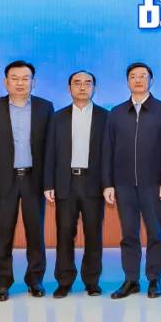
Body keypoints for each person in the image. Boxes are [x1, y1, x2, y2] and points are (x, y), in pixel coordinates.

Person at [0, 60, 54, 302]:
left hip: (34, 179)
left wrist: (49, 181)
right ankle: (2, 282)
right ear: (6, 82)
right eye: (15, 78)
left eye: (25, 78)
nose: (20, 83)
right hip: (4, 180)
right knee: (3, 233)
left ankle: (35, 280)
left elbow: (51, 148)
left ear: (33, 82)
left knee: (35, 233)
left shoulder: (45, 107)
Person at [102, 62, 161, 299]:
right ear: (127, 82)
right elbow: (107, 150)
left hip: (152, 184)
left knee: (156, 232)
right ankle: (131, 280)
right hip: (123, 184)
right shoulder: (116, 113)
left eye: (143, 76)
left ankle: (154, 279)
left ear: (151, 81)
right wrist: (108, 183)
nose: (138, 80)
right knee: (129, 234)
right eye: (133, 76)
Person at [44, 70, 108, 298]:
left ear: (94, 88)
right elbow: (49, 152)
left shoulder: (105, 117)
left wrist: (108, 184)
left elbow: (109, 154)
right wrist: (48, 183)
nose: (82, 87)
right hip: (66, 183)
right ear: (69, 88)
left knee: (93, 234)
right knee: (64, 234)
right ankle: (64, 280)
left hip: (94, 183)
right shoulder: (57, 117)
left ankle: (92, 281)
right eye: (77, 83)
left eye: (87, 83)